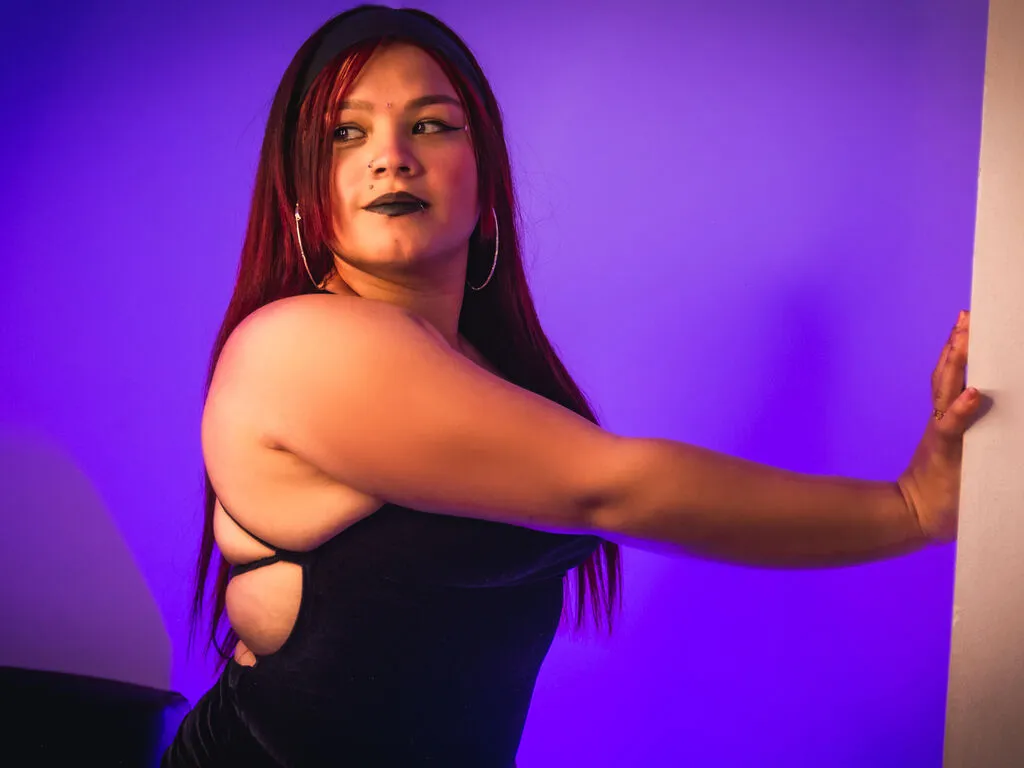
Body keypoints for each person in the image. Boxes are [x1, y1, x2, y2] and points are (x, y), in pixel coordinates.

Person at [162, 5, 984, 766]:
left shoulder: (480, 368)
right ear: (300, 191)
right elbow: (612, 490)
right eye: (346, 132)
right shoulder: (302, 344)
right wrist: (909, 508)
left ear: (486, 180)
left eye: (431, 124)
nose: (391, 156)